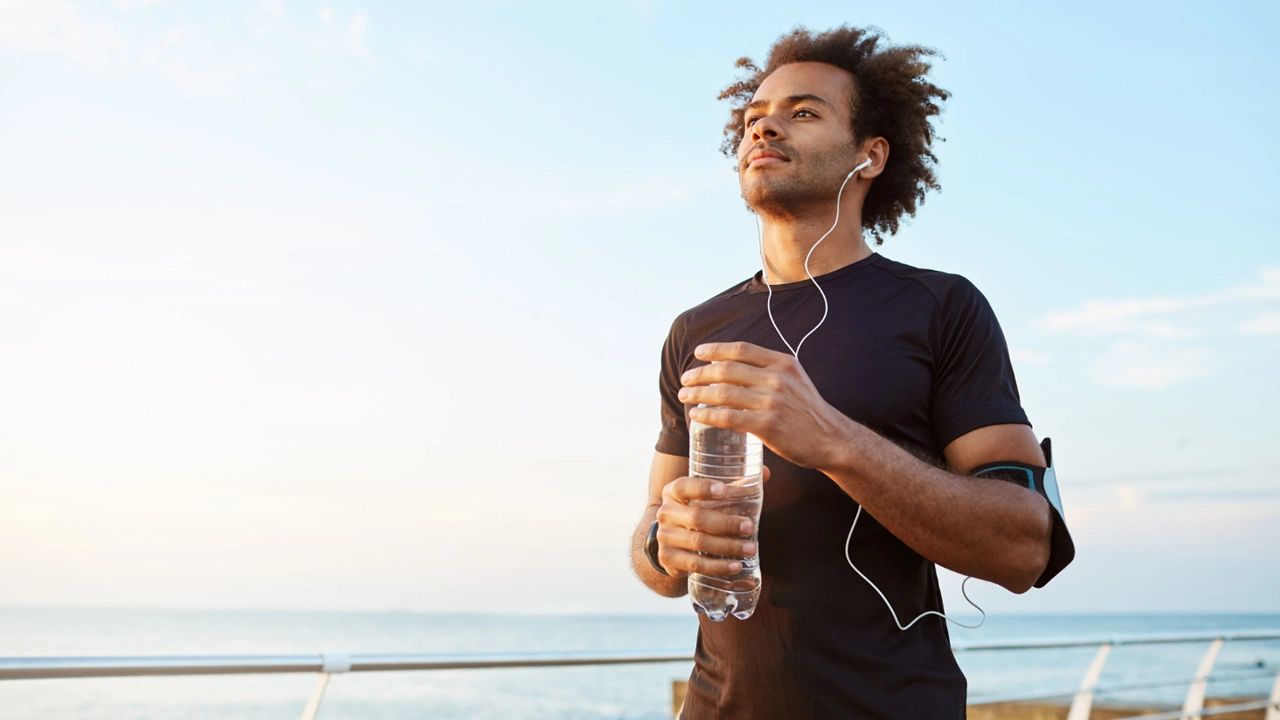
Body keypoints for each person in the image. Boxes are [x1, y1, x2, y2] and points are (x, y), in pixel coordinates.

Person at [629, 26, 1073, 719]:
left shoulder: (941, 307)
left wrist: (833, 440)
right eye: (753, 118)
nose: (765, 125)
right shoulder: (696, 330)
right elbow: (655, 549)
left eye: (804, 112)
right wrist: (667, 541)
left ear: (870, 156)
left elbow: (1026, 545)